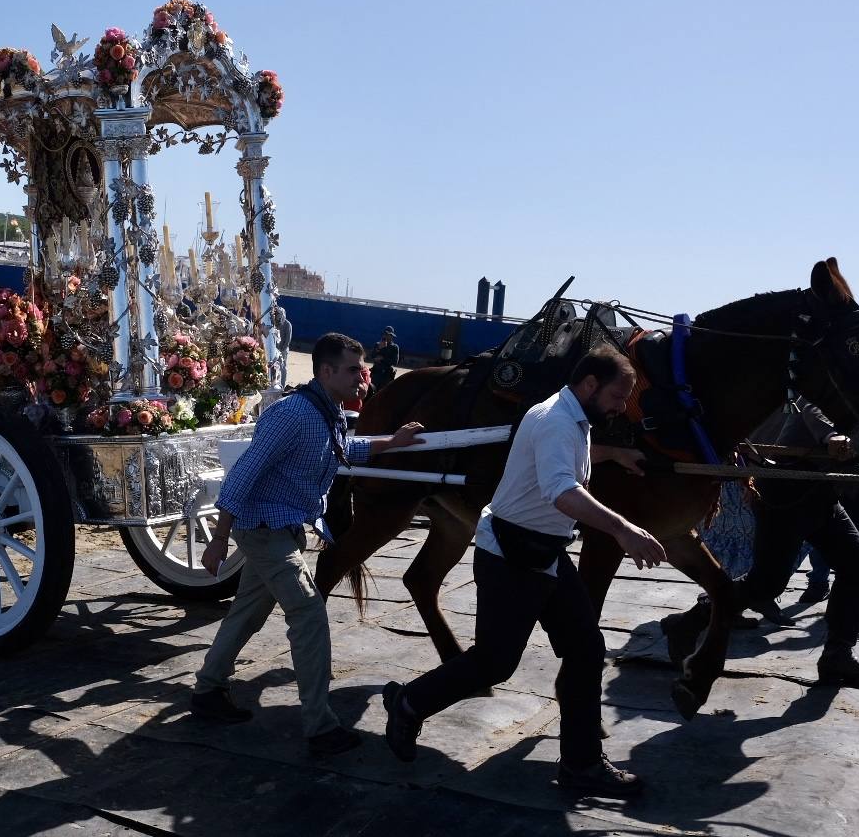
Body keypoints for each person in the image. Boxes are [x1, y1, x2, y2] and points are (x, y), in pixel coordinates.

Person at [382, 345, 666, 799]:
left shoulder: (574, 417)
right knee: (495, 663)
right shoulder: (555, 419)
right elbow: (562, 492)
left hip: (545, 552)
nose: (621, 406)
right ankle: (409, 702)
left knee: (586, 648)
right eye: (617, 396)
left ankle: (582, 765)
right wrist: (623, 529)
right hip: (510, 556)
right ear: (590, 384)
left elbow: (569, 456)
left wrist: (613, 454)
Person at [191, 332, 425, 756]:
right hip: (264, 530)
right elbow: (243, 474)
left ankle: (207, 690)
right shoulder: (293, 414)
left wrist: (393, 442)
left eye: (362, 368)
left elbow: (343, 449)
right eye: (354, 370)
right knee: (310, 614)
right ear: (326, 371)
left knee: (247, 614)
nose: (363, 377)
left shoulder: (326, 411)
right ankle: (320, 725)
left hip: (284, 529)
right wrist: (218, 539)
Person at [736, 398, 859, 689]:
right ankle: (694, 619)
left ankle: (838, 654)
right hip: (787, 491)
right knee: (765, 583)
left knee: (858, 567)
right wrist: (830, 435)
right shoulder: (831, 377)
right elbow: (811, 405)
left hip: (820, 490)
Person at [370, 326, 400, 390]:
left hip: (386, 376)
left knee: (383, 395)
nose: (386, 336)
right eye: (385, 334)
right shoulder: (378, 344)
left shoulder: (394, 347)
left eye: (388, 334)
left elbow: (395, 362)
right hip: (376, 374)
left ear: (392, 336)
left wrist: (383, 358)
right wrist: (378, 348)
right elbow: (372, 356)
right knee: (372, 393)